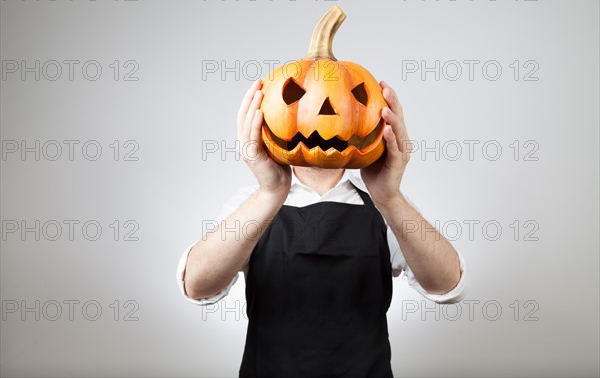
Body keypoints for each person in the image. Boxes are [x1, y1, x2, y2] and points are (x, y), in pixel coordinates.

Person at [176, 79, 468, 377]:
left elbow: (447, 285)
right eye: (295, 97)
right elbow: (198, 286)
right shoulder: (253, 204)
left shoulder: (385, 205)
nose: (325, 113)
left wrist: (390, 198)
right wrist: (269, 193)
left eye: (353, 97)